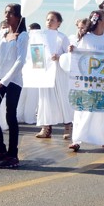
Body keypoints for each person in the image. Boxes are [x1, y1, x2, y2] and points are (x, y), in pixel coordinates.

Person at [67, 10, 104, 152]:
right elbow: (79, 57)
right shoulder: (86, 38)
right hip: (88, 80)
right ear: (100, 21)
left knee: (102, 109)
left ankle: (103, 138)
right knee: (83, 109)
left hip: (102, 80)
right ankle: (77, 139)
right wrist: (72, 50)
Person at [0, 3, 28, 168]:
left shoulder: (23, 36)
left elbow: (20, 61)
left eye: (10, 13)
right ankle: (0, 150)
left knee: (10, 116)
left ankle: (13, 154)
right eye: (5, 13)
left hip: (13, 81)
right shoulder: (3, 33)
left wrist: (3, 81)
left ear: (18, 16)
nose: (7, 16)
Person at [35, 11, 73, 140]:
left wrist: (59, 56)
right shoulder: (40, 35)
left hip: (58, 72)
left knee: (62, 97)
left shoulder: (62, 37)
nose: (49, 22)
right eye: (47, 19)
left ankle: (68, 125)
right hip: (45, 72)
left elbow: (69, 55)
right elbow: (35, 52)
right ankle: (46, 127)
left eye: (52, 20)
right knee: (45, 99)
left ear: (59, 23)